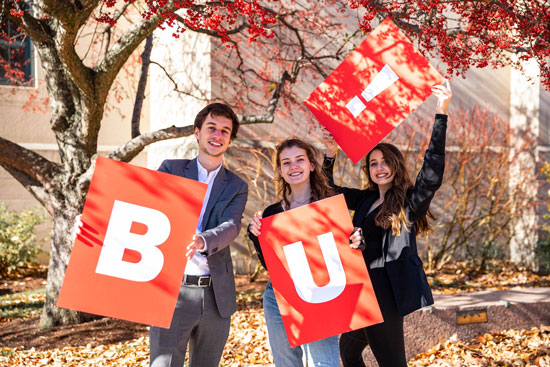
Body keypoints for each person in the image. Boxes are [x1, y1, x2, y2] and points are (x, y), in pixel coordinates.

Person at [322, 81, 453, 367]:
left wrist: (441, 111)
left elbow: (431, 172)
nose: (379, 167)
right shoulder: (366, 200)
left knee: (391, 361)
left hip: (386, 291)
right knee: (349, 352)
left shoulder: (409, 202)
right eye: (373, 163)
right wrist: (329, 156)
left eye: (384, 162)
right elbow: (326, 192)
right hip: (361, 286)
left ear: (395, 165)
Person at [247, 138, 363, 367]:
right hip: (279, 295)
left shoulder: (329, 204)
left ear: (311, 165)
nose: (294, 166)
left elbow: (345, 250)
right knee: (286, 363)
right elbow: (270, 264)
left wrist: (356, 241)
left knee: (323, 363)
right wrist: (255, 234)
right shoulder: (272, 213)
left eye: (300, 160)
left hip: (322, 293)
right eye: (286, 162)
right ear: (280, 170)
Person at [149, 103, 248, 367]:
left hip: (216, 296)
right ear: (197, 132)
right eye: (211, 128)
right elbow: (142, 206)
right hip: (173, 290)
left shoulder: (237, 186)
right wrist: (97, 219)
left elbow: (231, 226)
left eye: (225, 131)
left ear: (230, 140)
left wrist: (203, 240)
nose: (218, 135)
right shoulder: (171, 169)